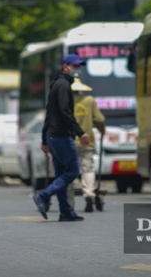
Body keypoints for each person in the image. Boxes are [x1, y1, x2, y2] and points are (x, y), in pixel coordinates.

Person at [33, 54, 89, 222]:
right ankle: (44, 195)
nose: (78, 69)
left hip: (52, 135)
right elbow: (65, 112)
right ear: (65, 66)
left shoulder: (56, 85)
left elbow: (49, 113)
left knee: (61, 174)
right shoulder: (63, 85)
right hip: (62, 135)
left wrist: (44, 139)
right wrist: (80, 132)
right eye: (75, 66)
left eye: (79, 66)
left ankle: (65, 211)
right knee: (72, 171)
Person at [66, 78, 106, 213]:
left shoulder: (65, 101)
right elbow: (100, 119)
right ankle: (89, 195)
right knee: (87, 169)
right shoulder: (89, 100)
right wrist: (101, 130)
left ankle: (69, 203)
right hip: (86, 140)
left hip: (69, 141)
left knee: (69, 171)